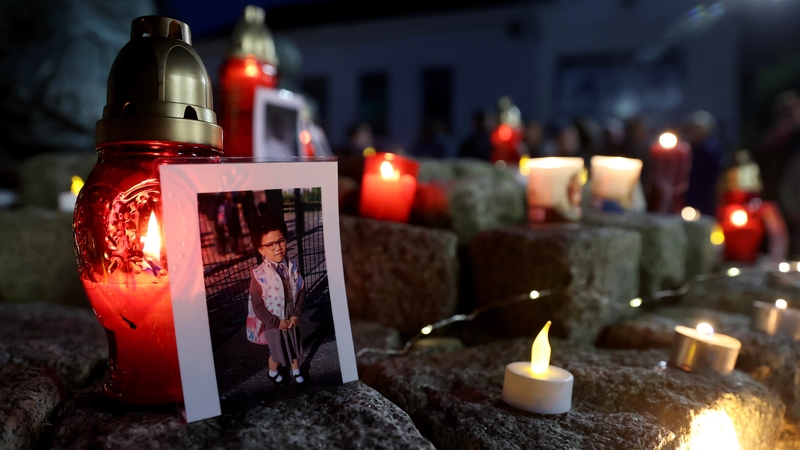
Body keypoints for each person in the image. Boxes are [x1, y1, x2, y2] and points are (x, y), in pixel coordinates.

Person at [245, 214, 305, 386]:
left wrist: (296, 314)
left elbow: (301, 290)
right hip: (273, 321)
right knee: (277, 352)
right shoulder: (259, 275)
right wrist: (275, 322)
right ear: (261, 249)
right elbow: (258, 305)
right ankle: (272, 372)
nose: (277, 247)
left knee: (293, 346)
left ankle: (296, 371)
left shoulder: (293, 267)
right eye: (270, 244)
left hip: (290, 314)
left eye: (281, 241)